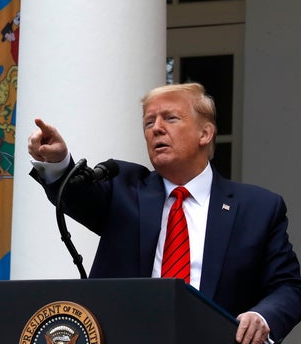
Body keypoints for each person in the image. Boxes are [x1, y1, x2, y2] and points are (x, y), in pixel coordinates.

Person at [27, 82, 301, 344]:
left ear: (205, 134)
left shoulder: (258, 208)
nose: (156, 128)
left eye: (170, 118)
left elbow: (289, 287)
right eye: (149, 122)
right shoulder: (124, 187)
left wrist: (262, 317)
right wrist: (58, 162)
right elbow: (77, 196)